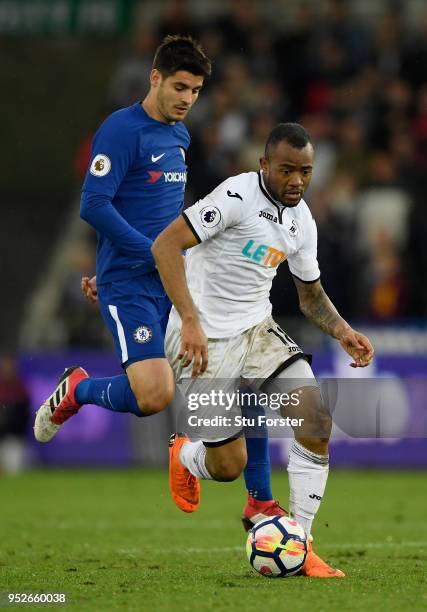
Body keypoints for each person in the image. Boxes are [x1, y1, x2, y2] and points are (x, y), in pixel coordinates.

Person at [152, 123, 374, 578]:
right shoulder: (235, 197)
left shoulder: (301, 220)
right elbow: (166, 245)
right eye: (287, 170)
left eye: (305, 172)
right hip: (202, 339)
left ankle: (303, 542)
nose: (296, 180)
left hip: (257, 331)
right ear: (264, 165)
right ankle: (186, 455)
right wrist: (189, 320)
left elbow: (310, 297)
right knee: (227, 465)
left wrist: (343, 331)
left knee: (315, 422)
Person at [34, 35, 212, 443]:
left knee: (215, 380)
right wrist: (144, 256)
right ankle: (77, 389)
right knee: (154, 394)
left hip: (169, 277)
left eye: (196, 91)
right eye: (180, 87)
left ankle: (216, 475)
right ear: (155, 78)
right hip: (132, 281)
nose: (188, 99)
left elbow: (159, 214)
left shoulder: (180, 136)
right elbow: (94, 204)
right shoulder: (121, 129)